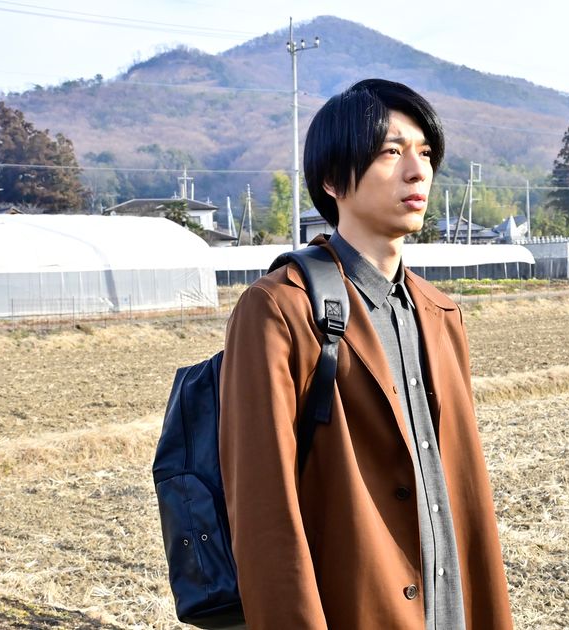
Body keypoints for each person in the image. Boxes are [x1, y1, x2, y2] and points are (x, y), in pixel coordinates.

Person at [218, 79, 513, 630]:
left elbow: (464, 491)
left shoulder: (441, 313)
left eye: (425, 153)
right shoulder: (280, 309)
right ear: (333, 179)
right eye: (391, 152)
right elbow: (263, 512)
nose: (418, 171)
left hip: (449, 607)